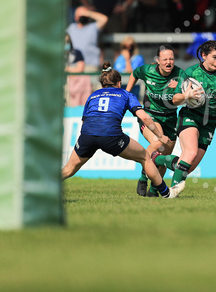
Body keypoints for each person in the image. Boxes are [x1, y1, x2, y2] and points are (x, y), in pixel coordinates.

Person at [61, 62, 185, 199]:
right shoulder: (125, 94)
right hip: (111, 136)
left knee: (68, 169)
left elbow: (84, 121)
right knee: (145, 157)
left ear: (103, 84)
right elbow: (144, 116)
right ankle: (167, 193)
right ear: (119, 83)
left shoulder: (93, 95)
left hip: (87, 135)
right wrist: (160, 136)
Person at [151, 40, 216, 186]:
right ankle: (172, 193)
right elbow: (175, 99)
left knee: (187, 167)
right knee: (190, 153)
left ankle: (158, 159)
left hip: (210, 122)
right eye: (214, 57)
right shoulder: (191, 72)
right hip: (190, 116)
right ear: (203, 55)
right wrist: (186, 96)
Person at [125, 44, 185, 197]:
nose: (168, 62)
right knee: (158, 143)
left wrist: (179, 88)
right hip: (151, 116)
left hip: (170, 118)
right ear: (158, 60)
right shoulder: (148, 70)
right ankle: (143, 178)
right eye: (165, 59)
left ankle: (153, 190)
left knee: (163, 156)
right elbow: (135, 73)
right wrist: (127, 93)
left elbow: (183, 98)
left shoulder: (180, 74)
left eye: (171, 59)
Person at [66, 6, 108, 72]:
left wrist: (88, 13)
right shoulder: (71, 28)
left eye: (84, 15)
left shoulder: (93, 27)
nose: (83, 16)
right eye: (80, 15)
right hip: (74, 65)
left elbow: (104, 19)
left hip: (90, 66)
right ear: (75, 17)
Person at [65, 34, 91, 106]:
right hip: (65, 80)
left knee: (85, 78)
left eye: (67, 41)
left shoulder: (77, 52)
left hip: (77, 80)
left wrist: (67, 69)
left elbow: (80, 68)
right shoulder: (57, 54)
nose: (66, 44)